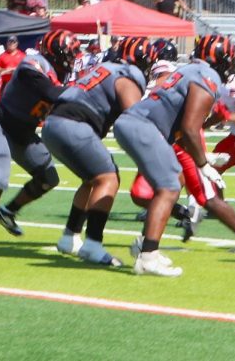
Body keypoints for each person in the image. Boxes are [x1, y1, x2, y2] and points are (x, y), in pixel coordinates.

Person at [114, 36, 235, 277]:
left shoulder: (190, 69)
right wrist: (203, 164)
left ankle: (147, 244)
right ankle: (147, 256)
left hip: (138, 124)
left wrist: (204, 158)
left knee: (167, 184)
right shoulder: (208, 77)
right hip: (144, 127)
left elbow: (180, 127)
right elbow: (191, 127)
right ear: (222, 60)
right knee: (169, 187)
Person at [41, 37, 153, 268]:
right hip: (74, 123)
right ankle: (93, 243)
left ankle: (69, 236)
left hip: (53, 123)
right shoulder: (128, 75)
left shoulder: (104, 68)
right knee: (109, 178)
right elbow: (134, 116)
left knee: (91, 180)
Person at [0, 31, 76, 253]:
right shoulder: (34, 63)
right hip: (1, 125)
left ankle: (8, 212)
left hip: (24, 132)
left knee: (49, 178)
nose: (73, 57)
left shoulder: (60, 73)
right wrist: (83, 92)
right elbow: (49, 91)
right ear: (56, 52)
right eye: (70, 52)